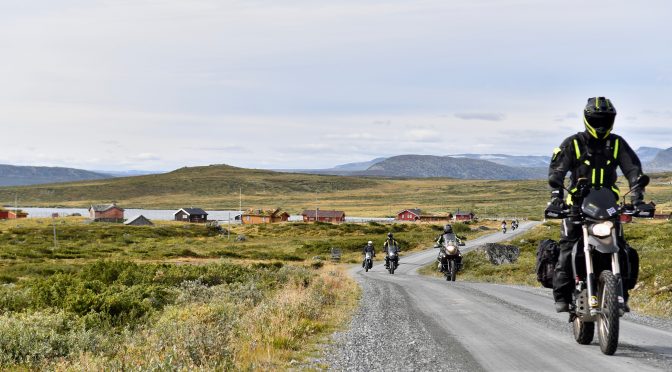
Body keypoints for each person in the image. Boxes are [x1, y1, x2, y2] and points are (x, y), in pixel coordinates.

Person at [547, 96, 648, 313]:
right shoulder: (573, 143)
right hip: (576, 205)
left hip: (608, 206)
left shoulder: (618, 143)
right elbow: (557, 172)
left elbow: (633, 170)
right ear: (587, 119)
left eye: (605, 119)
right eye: (596, 119)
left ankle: (620, 294)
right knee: (566, 250)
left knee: (621, 248)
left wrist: (637, 198)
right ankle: (562, 295)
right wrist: (556, 198)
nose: (600, 124)